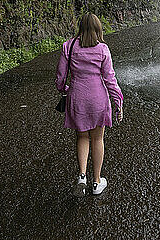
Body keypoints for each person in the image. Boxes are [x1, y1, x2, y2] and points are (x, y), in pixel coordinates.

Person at [55, 12, 124, 197]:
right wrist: (118, 101)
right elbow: (110, 78)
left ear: (80, 27)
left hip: (77, 97)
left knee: (82, 137)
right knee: (97, 139)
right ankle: (96, 182)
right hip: (98, 98)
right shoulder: (102, 49)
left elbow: (60, 78)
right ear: (98, 28)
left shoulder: (68, 46)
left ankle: (82, 176)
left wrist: (65, 89)